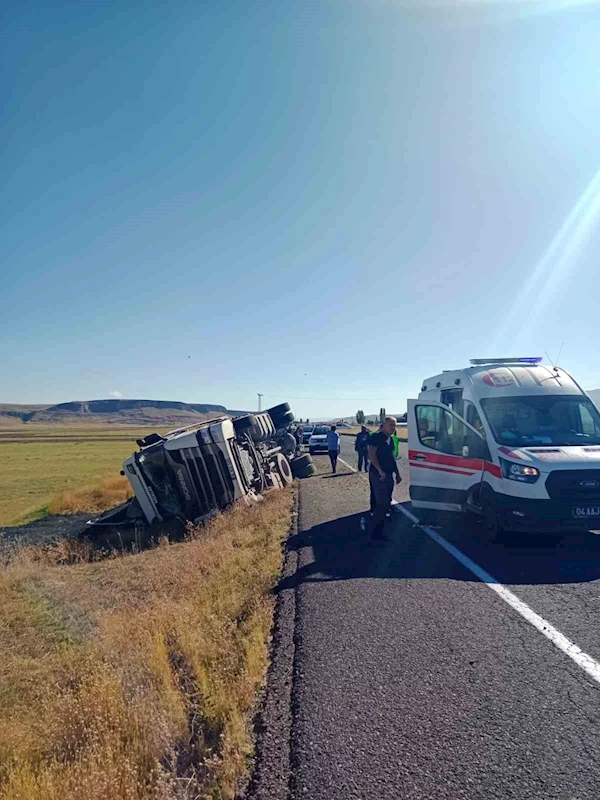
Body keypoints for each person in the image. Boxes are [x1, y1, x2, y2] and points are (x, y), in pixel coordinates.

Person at [368, 416, 401, 542]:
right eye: (390, 425)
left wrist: (397, 474)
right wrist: (380, 471)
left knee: (386, 502)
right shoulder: (376, 437)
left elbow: (392, 458)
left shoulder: (391, 440)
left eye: (394, 425)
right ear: (384, 425)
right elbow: (371, 455)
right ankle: (375, 533)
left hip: (388, 475)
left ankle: (380, 531)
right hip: (378, 475)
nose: (393, 428)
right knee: (381, 503)